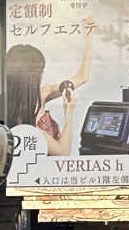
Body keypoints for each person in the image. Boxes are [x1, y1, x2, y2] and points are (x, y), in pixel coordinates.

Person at [6, 20, 93, 156]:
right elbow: (63, 153)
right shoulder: (23, 122)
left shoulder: (41, 94)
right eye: (41, 71)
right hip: (43, 173)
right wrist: (69, 114)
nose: (43, 74)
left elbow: (82, 77)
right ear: (32, 78)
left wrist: (90, 34)